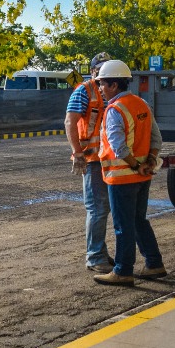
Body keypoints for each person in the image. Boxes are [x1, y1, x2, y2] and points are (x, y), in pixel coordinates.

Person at [91, 60, 165, 287]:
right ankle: (153, 263)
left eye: (102, 84)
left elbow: (118, 145)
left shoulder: (115, 109)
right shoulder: (141, 104)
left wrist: (134, 164)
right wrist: (148, 161)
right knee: (138, 220)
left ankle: (123, 270)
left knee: (123, 225)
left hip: (123, 177)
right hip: (143, 175)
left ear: (114, 85)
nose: (100, 89)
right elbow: (156, 139)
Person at [64, 52, 113, 272]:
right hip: (92, 158)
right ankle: (94, 257)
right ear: (93, 71)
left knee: (106, 208)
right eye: (99, 68)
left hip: (110, 158)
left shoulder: (112, 91)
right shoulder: (84, 91)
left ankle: (100, 252)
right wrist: (77, 153)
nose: (102, 72)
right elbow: (70, 122)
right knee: (97, 208)